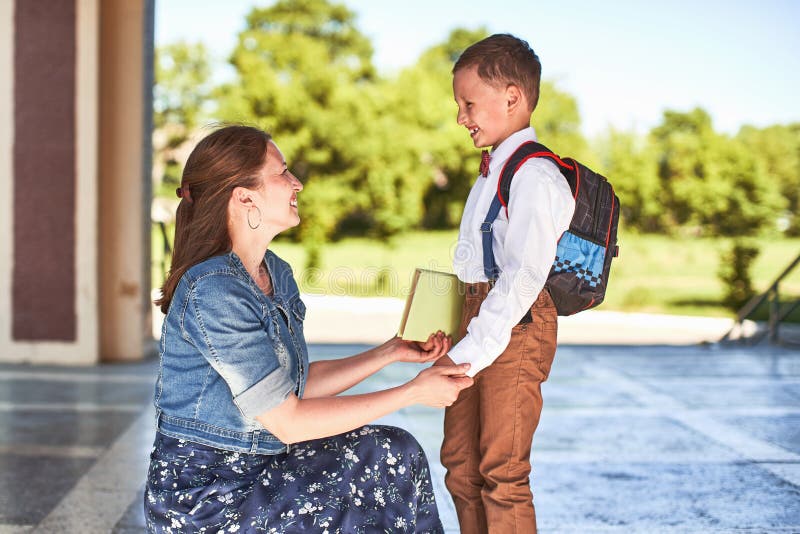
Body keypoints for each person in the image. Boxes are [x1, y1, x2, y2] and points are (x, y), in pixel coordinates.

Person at [144, 124, 473, 533]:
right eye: (282, 173)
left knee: (394, 450)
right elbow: (289, 421)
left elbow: (293, 387)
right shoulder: (214, 290)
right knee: (381, 458)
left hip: (261, 467)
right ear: (244, 196)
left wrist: (390, 352)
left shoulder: (275, 273)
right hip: (208, 497)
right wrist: (413, 392)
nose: (296, 182)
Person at [434, 34, 576, 533]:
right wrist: (446, 328)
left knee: (502, 472)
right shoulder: (492, 170)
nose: (461, 117)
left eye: (468, 103)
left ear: (511, 97)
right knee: (460, 465)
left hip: (514, 326)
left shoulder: (534, 174)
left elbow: (522, 278)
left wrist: (469, 351)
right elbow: (474, 264)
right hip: (479, 319)